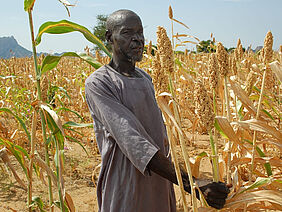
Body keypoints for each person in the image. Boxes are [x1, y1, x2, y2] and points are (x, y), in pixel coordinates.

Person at [85, 9, 230, 212]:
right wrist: (192, 184)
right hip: (126, 184)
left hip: (160, 180)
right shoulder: (99, 83)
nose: (137, 40)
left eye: (140, 33)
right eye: (127, 33)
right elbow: (134, 141)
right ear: (109, 37)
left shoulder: (147, 79)